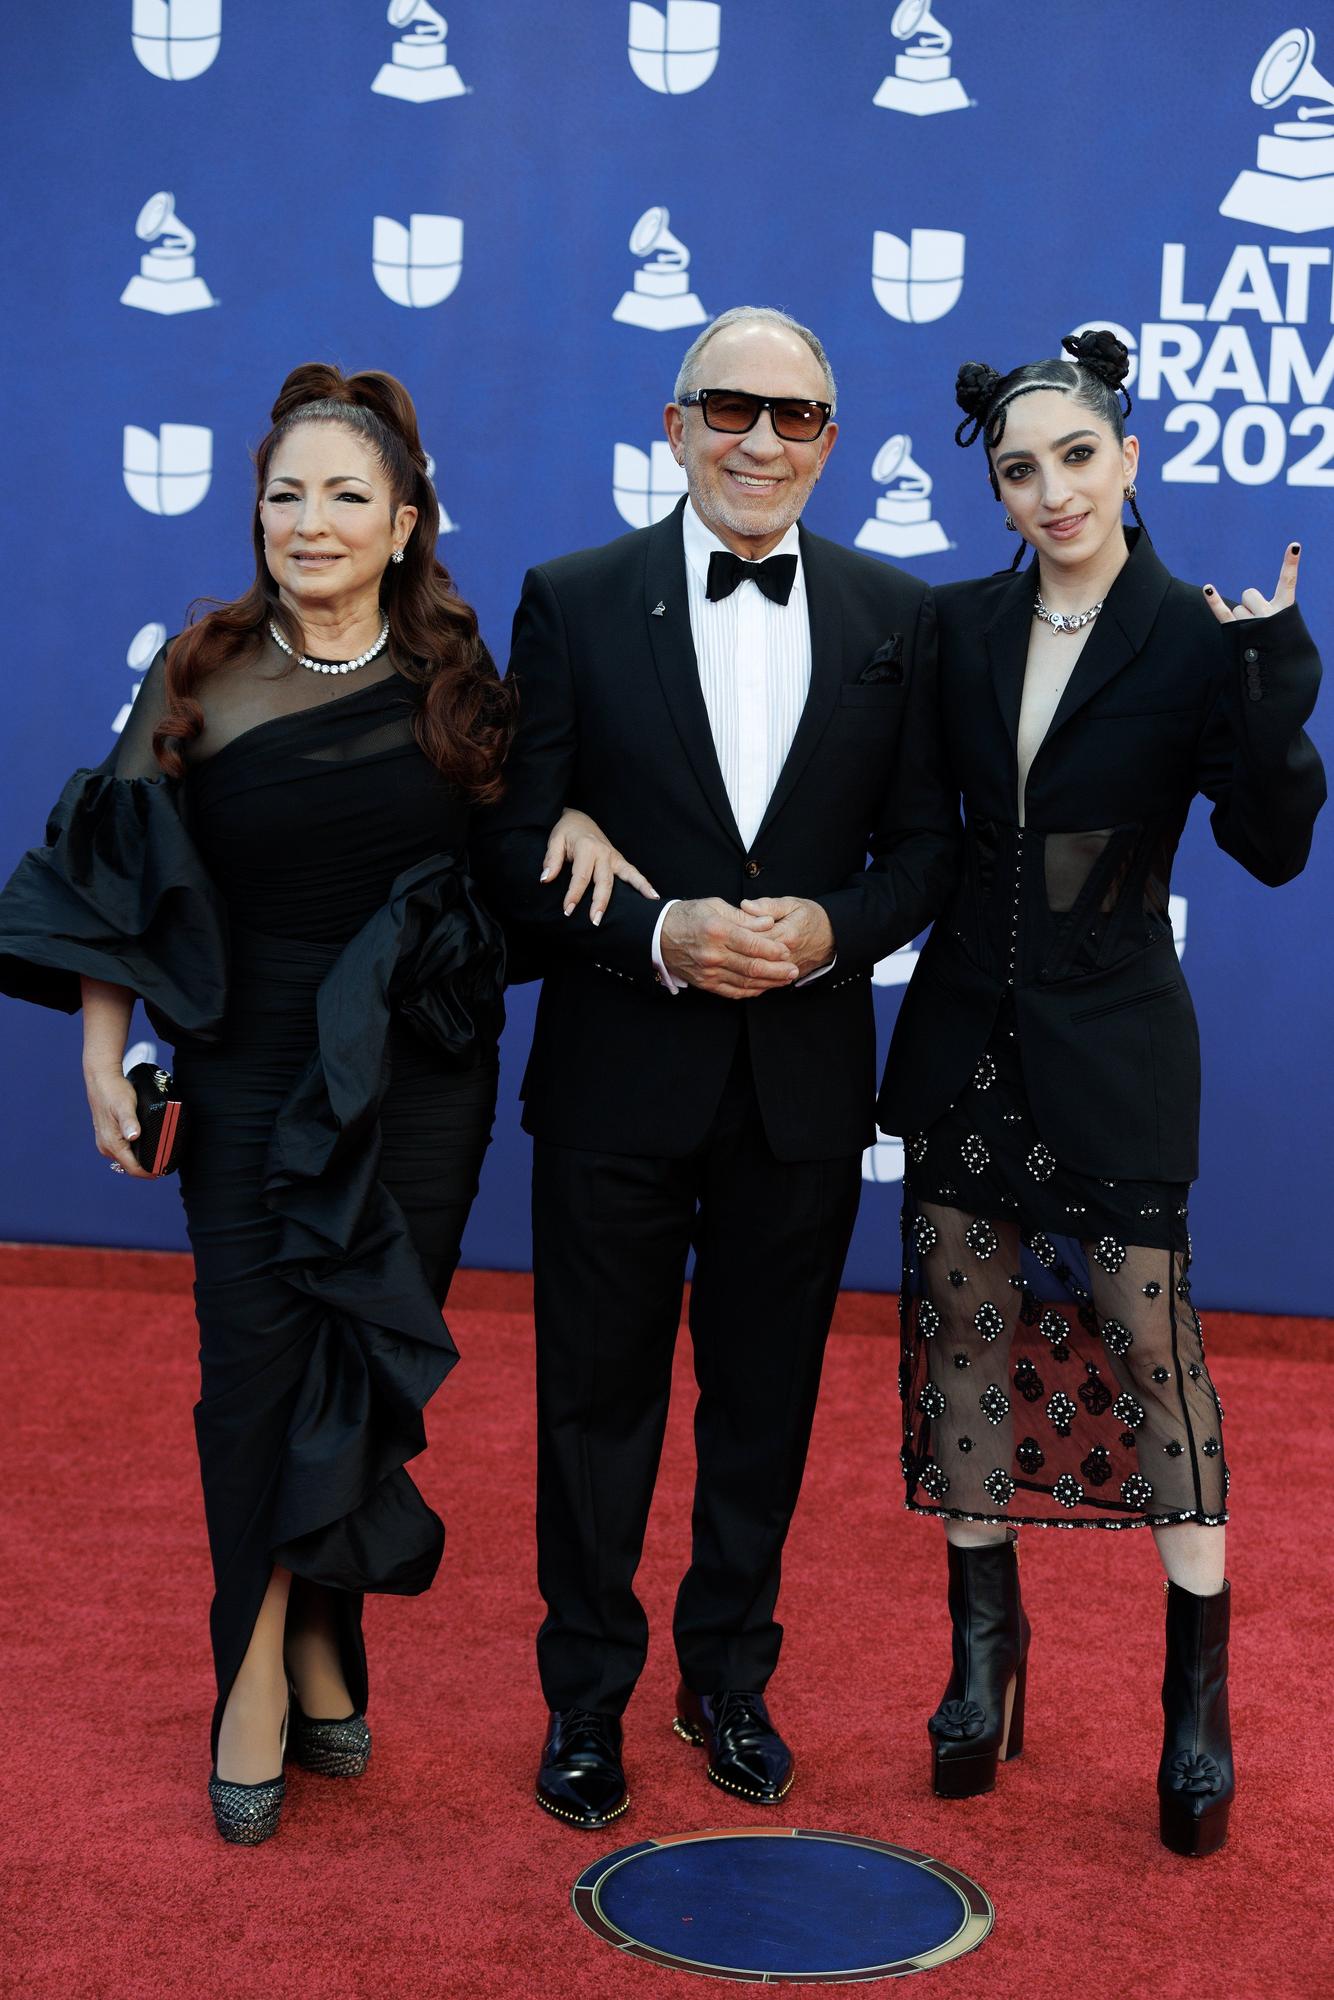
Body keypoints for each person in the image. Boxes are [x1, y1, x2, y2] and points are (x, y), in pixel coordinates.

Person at [0, 364, 643, 1845]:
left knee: (360, 1356)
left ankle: (318, 1643)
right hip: (246, 1071)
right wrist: (105, 1052)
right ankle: (257, 1669)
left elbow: (525, 834)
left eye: (345, 494)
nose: (310, 519)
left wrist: (584, 813)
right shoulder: (201, 672)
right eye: (286, 493)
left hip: (420, 1078)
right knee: (257, 1371)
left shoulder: (463, 682)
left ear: (406, 520)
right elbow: (116, 865)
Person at [473, 306, 960, 1829]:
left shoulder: (899, 614)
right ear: (673, 425)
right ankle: (585, 1700)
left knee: (764, 1405)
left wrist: (828, 929)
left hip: (800, 1088)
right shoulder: (572, 597)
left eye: (795, 416)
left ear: (830, 441)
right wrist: (662, 932)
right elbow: (515, 839)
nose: (760, 440)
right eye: (729, 409)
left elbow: (931, 850)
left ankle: (727, 1677)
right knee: (593, 1406)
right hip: (620, 1070)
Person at [878, 330, 1325, 1857]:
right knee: (964, 1339)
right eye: (1020, 469)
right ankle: (981, 1660)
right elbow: (924, 841)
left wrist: (1271, 672)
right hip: (966, 1040)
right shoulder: (953, 630)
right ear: (993, 492)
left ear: (1128, 459)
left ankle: (1193, 1704)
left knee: (1149, 1349)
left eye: (1077, 455)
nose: (1052, 488)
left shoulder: (1200, 640)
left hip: (1117, 1040)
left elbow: (1271, 844)